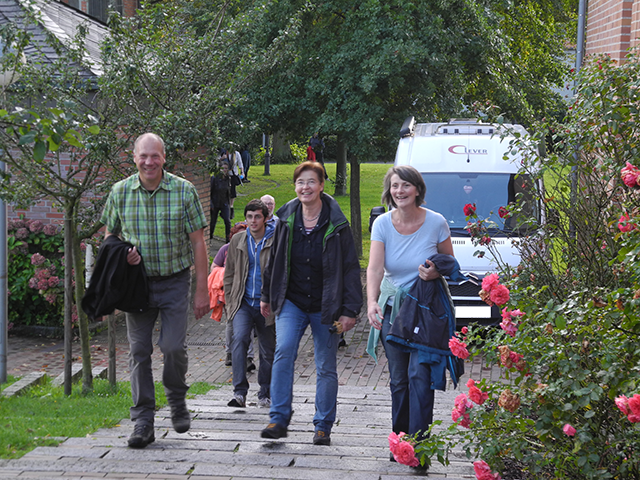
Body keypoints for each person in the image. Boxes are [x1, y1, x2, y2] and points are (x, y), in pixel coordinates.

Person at [101, 133, 210, 449]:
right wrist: (123, 254)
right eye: (143, 156)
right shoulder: (120, 193)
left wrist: (201, 290)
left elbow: (199, 242)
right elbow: (109, 239)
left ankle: (177, 400)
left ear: (165, 157)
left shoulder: (183, 191)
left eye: (155, 156)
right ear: (133, 157)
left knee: (173, 346)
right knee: (138, 351)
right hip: (139, 285)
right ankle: (143, 422)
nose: (149, 162)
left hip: (175, 281)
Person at [260, 161, 362, 446]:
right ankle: (278, 418)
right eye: (300, 182)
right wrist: (266, 294)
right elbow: (274, 260)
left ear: (321, 186)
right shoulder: (285, 219)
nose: (305, 187)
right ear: (295, 187)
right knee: (283, 351)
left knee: (325, 365)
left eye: (311, 182)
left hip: (326, 305)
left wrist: (350, 310)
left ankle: (322, 425)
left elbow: (351, 268)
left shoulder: (338, 224)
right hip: (291, 300)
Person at [366, 165, 454, 446]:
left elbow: (450, 263)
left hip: (426, 310)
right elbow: (375, 269)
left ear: (417, 189)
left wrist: (435, 272)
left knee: (419, 375)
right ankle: (400, 440)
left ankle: (420, 444)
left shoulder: (437, 222)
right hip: (394, 308)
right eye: (394, 186)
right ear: (389, 191)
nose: (399, 191)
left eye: (405, 185)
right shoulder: (382, 224)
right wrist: (371, 302)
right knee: (399, 379)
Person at [224, 199, 276, 408]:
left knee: (267, 350)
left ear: (265, 218)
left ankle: (265, 392)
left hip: (267, 305)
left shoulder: (275, 241)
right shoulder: (237, 240)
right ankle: (239, 392)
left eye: (257, 216)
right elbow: (229, 274)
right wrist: (230, 301)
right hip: (242, 303)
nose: (253, 221)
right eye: (249, 217)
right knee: (239, 341)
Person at [210, 223, 254, 368]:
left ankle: (248, 357)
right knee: (230, 323)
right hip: (230, 293)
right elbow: (214, 267)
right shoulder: (225, 249)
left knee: (249, 324)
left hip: (248, 292)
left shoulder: (252, 247)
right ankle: (230, 353)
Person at [210, 161, 232, 242]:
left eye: (226, 168)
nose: (224, 170)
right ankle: (210, 237)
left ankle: (228, 239)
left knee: (227, 221)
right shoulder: (214, 178)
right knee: (212, 222)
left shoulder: (228, 179)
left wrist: (229, 204)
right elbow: (210, 191)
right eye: (223, 168)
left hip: (224, 202)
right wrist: (211, 203)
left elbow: (228, 192)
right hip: (215, 203)